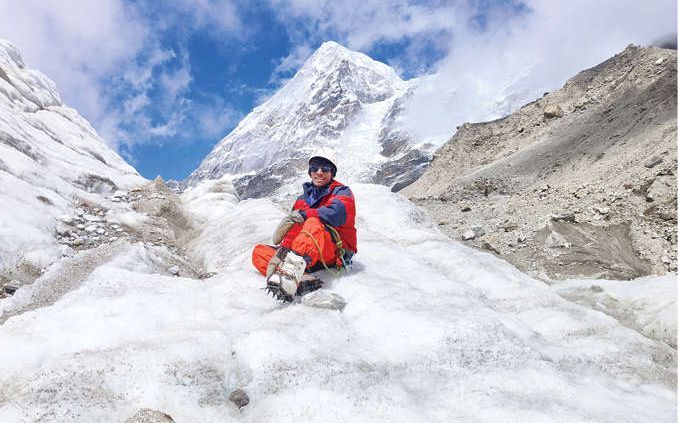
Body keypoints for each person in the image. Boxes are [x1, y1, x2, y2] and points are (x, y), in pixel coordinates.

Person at [251, 153, 357, 301]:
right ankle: (303, 279)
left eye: (325, 169)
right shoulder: (302, 200)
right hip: (307, 254)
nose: (319, 172)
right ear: (310, 173)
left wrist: (306, 214)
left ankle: (290, 274)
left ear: (331, 174)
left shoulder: (341, 191)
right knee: (259, 252)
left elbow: (338, 213)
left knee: (313, 222)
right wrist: (285, 248)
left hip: (333, 251)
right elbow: (294, 230)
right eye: (315, 168)